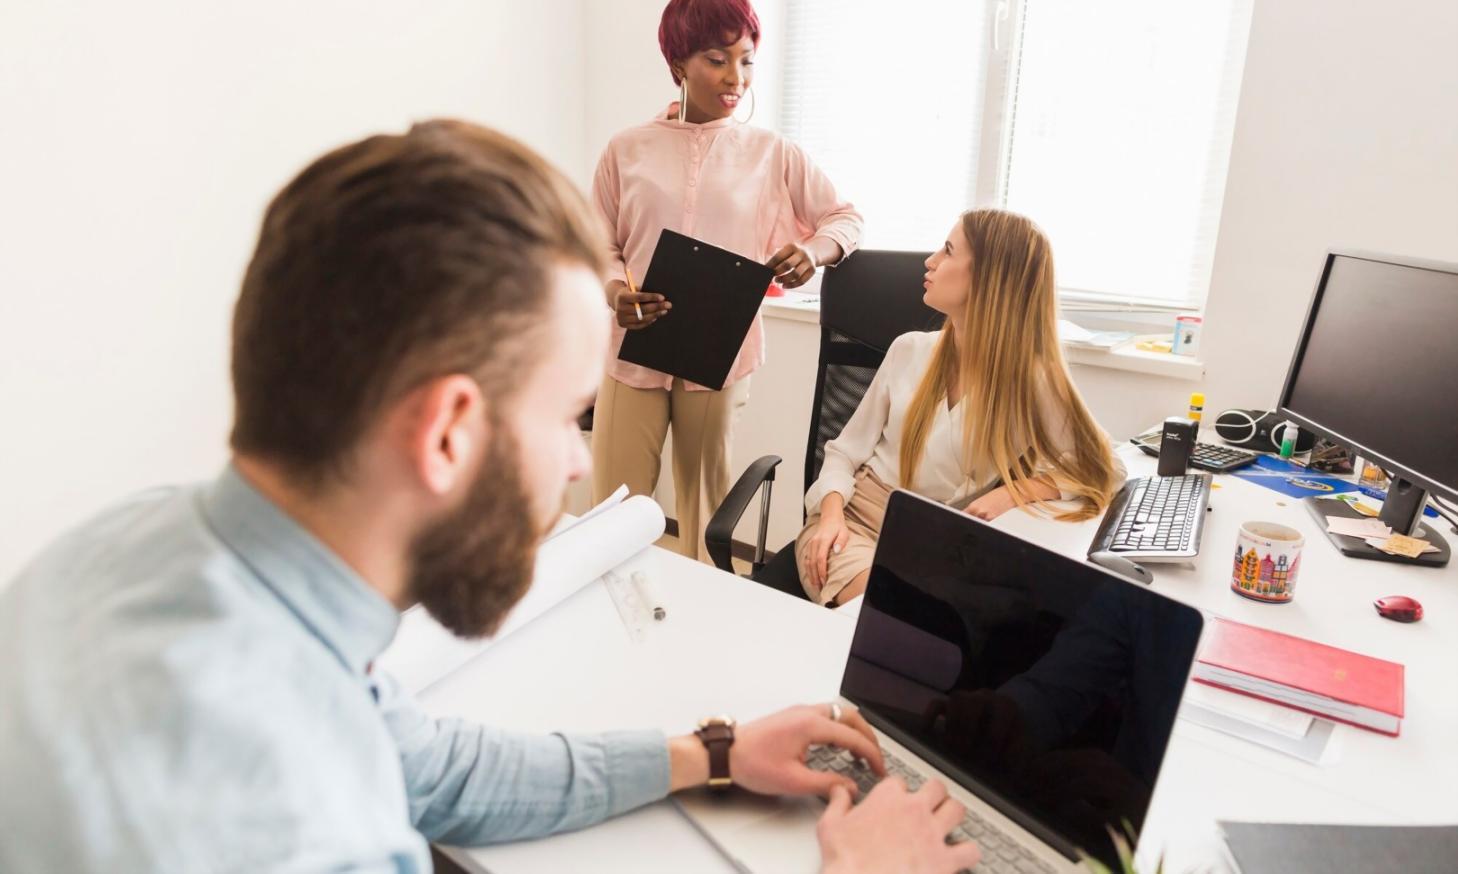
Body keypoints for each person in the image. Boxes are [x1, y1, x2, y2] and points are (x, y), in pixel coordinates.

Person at [0, 121, 979, 874]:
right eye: (569, 415)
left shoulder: (143, 546)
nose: (571, 467)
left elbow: (434, 769)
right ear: (447, 435)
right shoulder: (294, 816)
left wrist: (713, 753)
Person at [590, 0, 862, 562]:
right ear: (678, 65)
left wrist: (813, 252)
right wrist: (616, 290)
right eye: (717, 59)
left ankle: (700, 626)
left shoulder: (772, 153)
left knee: (706, 511)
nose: (735, 78)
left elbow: (846, 219)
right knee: (613, 509)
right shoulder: (625, 149)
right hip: (633, 346)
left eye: (747, 60)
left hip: (720, 350)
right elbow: (598, 243)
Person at [796, 209, 1125, 606]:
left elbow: (1106, 468)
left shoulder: (1034, 381)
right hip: (855, 522)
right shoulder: (910, 349)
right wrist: (830, 516)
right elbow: (843, 453)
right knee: (888, 615)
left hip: (944, 544)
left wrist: (1016, 492)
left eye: (948, 251)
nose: (930, 261)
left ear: (990, 277)